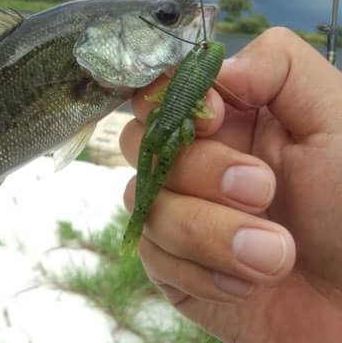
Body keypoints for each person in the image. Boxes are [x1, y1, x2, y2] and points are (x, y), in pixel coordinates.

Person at [119, 27, 342, 343]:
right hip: (168, 117)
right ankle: (136, 223)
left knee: (151, 178)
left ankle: (137, 223)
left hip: (175, 119)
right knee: (147, 172)